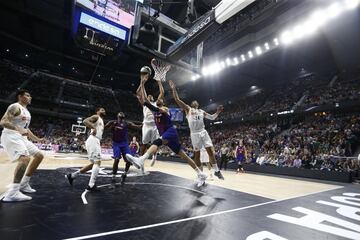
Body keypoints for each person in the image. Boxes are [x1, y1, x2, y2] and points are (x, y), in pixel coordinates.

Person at [126, 77, 208, 187]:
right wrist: (142, 83)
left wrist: (158, 85)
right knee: (185, 156)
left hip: (170, 132)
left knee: (156, 142)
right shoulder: (153, 110)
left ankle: (141, 160)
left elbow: (154, 107)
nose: (158, 99)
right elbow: (145, 100)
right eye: (157, 99)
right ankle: (200, 173)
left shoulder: (165, 109)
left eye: (160, 99)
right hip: (169, 136)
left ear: (163, 102)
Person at [169, 80, 225, 180]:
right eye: (193, 101)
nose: (195, 102)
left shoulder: (201, 111)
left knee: (210, 152)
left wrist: (218, 111)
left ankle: (216, 171)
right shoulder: (188, 109)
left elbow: (212, 118)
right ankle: (200, 174)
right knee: (197, 155)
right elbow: (177, 100)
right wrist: (173, 89)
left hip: (203, 131)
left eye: (196, 101)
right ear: (192, 104)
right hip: (194, 134)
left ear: (198, 104)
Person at [0, 89, 45, 202]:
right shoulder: (15, 107)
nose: (30, 97)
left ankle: (24, 184)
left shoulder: (27, 111)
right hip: (11, 135)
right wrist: (17, 129)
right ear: (20, 97)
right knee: (25, 159)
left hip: (22, 137)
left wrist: (37, 139)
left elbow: (26, 129)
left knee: (39, 155)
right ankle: (13, 192)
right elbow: (3, 122)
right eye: (27, 95)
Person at [65, 107, 106, 191]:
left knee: (93, 164)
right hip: (93, 140)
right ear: (97, 111)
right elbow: (85, 121)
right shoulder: (96, 117)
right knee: (98, 162)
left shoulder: (101, 121)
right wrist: (93, 128)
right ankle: (91, 185)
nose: (104, 111)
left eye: (104, 110)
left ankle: (72, 176)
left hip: (94, 140)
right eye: (102, 109)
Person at [105, 112, 142, 184]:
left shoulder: (127, 123)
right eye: (120, 118)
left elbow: (136, 126)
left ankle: (124, 174)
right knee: (116, 159)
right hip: (116, 144)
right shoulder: (112, 123)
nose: (121, 119)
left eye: (122, 118)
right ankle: (113, 176)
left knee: (129, 160)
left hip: (125, 144)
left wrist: (142, 125)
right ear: (117, 117)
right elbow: (104, 127)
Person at [136, 66, 162, 167]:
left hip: (155, 125)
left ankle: (154, 157)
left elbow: (161, 93)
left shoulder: (155, 104)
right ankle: (140, 160)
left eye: (151, 96)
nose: (150, 96)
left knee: (155, 143)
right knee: (144, 144)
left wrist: (159, 82)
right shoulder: (145, 103)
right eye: (148, 95)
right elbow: (138, 93)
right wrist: (142, 83)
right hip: (146, 125)